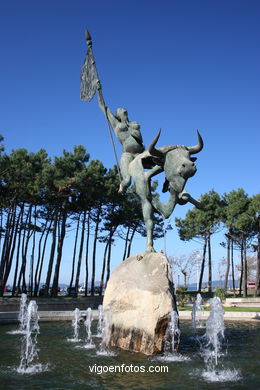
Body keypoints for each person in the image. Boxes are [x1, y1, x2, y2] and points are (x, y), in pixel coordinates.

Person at [96, 80, 145, 193]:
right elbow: (103, 106)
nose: (122, 110)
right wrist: (99, 90)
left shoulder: (133, 124)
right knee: (127, 180)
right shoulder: (116, 124)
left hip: (140, 153)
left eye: (124, 110)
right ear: (117, 114)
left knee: (160, 161)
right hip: (127, 154)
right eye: (120, 110)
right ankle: (123, 186)